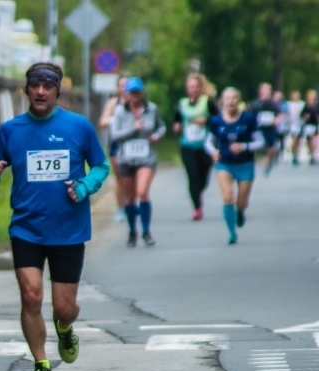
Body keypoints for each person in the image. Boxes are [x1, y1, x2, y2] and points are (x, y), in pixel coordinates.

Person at [0, 62, 110, 371]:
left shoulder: (78, 126)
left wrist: (84, 186)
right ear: (26, 90)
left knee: (64, 308)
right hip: (26, 228)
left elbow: (100, 166)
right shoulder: (12, 130)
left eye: (47, 86)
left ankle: (65, 330)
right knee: (31, 296)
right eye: (35, 85)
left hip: (68, 229)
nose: (40, 91)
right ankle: (41, 363)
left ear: (57, 91)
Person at [110, 76, 167, 247]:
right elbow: (115, 135)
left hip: (146, 158)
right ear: (127, 94)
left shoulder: (151, 109)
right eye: (131, 92)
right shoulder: (120, 111)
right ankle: (132, 231)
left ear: (142, 93)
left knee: (142, 192)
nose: (135, 96)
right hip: (126, 158)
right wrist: (132, 129)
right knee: (130, 197)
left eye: (137, 92)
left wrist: (157, 135)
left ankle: (146, 232)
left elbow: (161, 126)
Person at [205, 87, 265, 244]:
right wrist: (213, 151)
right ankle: (231, 232)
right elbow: (208, 142)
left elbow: (260, 142)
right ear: (222, 102)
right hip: (224, 163)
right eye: (228, 98)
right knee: (227, 197)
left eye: (234, 98)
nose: (231, 102)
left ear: (239, 101)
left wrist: (244, 146)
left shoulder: (248, 118)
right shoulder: (216, 121)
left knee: (242, 201)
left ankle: (240, 211)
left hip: (245, 164)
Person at [172, 73, 219, 221]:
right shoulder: (182, 104)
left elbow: (219, 120)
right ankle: (197, 208)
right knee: (192, 176)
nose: (193, 89)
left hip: (205, 146)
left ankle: (198, 194)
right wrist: (177, 126)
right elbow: (177, 120)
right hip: (187, 145)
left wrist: (206, 120)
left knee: (203, 179)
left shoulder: (208, 102)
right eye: (190, 87)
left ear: (201, 88)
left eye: (196, 87)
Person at [98, 74, 128, 222]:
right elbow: (102, 121)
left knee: (131, 177)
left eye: (126, 85)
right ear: (117, 88)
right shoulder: (113, 103)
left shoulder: (135, 102)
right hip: (116, 143)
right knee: (120, 178)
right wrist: (116, 120)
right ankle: (121, 208)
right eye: (121, 86)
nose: (124, 89)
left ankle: (133, 204)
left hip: (131, 145)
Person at [250, 82, 282, 176]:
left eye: (267, 89)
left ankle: (269, 161)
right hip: (259, 128)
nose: (265, 91)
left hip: (271, 128)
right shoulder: (256, 103)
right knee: (261, 146)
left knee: (271, 148)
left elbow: (279, 114)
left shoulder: (273, 103)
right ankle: (263, 162)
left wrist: (276, 120)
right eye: (263, 89)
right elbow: (251, 115)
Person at [286, 90, 305, 165]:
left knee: (299, 141)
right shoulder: (289, 104)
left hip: (300, 124)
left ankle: (297, 154)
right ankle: (294, 155)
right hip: (292, 124)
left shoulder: (302, 104)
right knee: (294, 139)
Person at [300, 89, 319, 165]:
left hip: (315, 124)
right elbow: (302, 114)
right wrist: (305, 117)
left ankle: (313, 153)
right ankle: (311, 154)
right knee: (309, 140)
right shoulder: (306, 105)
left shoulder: (317, 105)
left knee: (314, 140)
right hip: (308, 125)